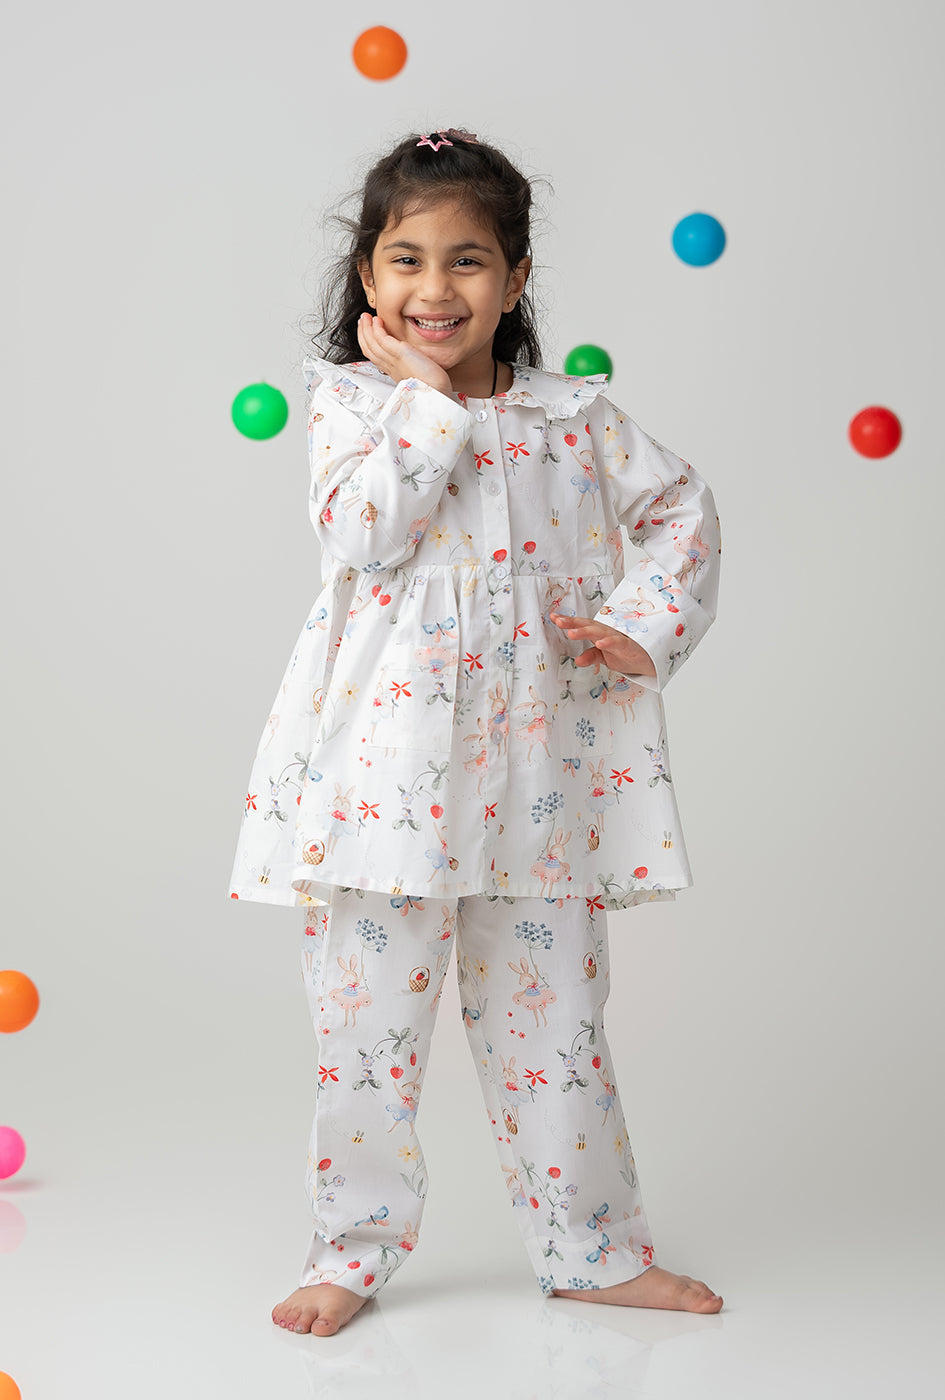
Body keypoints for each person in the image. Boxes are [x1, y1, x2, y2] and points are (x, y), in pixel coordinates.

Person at [228, 128, 723, 1336]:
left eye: (468, 260)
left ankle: (592, 1245)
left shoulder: (573, 415)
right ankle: (351, 1247)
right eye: (407, 260)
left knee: (559, 1025)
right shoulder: (355, 405)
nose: (435, 288)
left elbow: (680, 506)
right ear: (368, 276)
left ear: (516, 276)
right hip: (384, 786)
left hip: (541, 780)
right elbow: (365, 531)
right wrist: (430, 400)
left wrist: (642, 624)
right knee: (367, 1031)